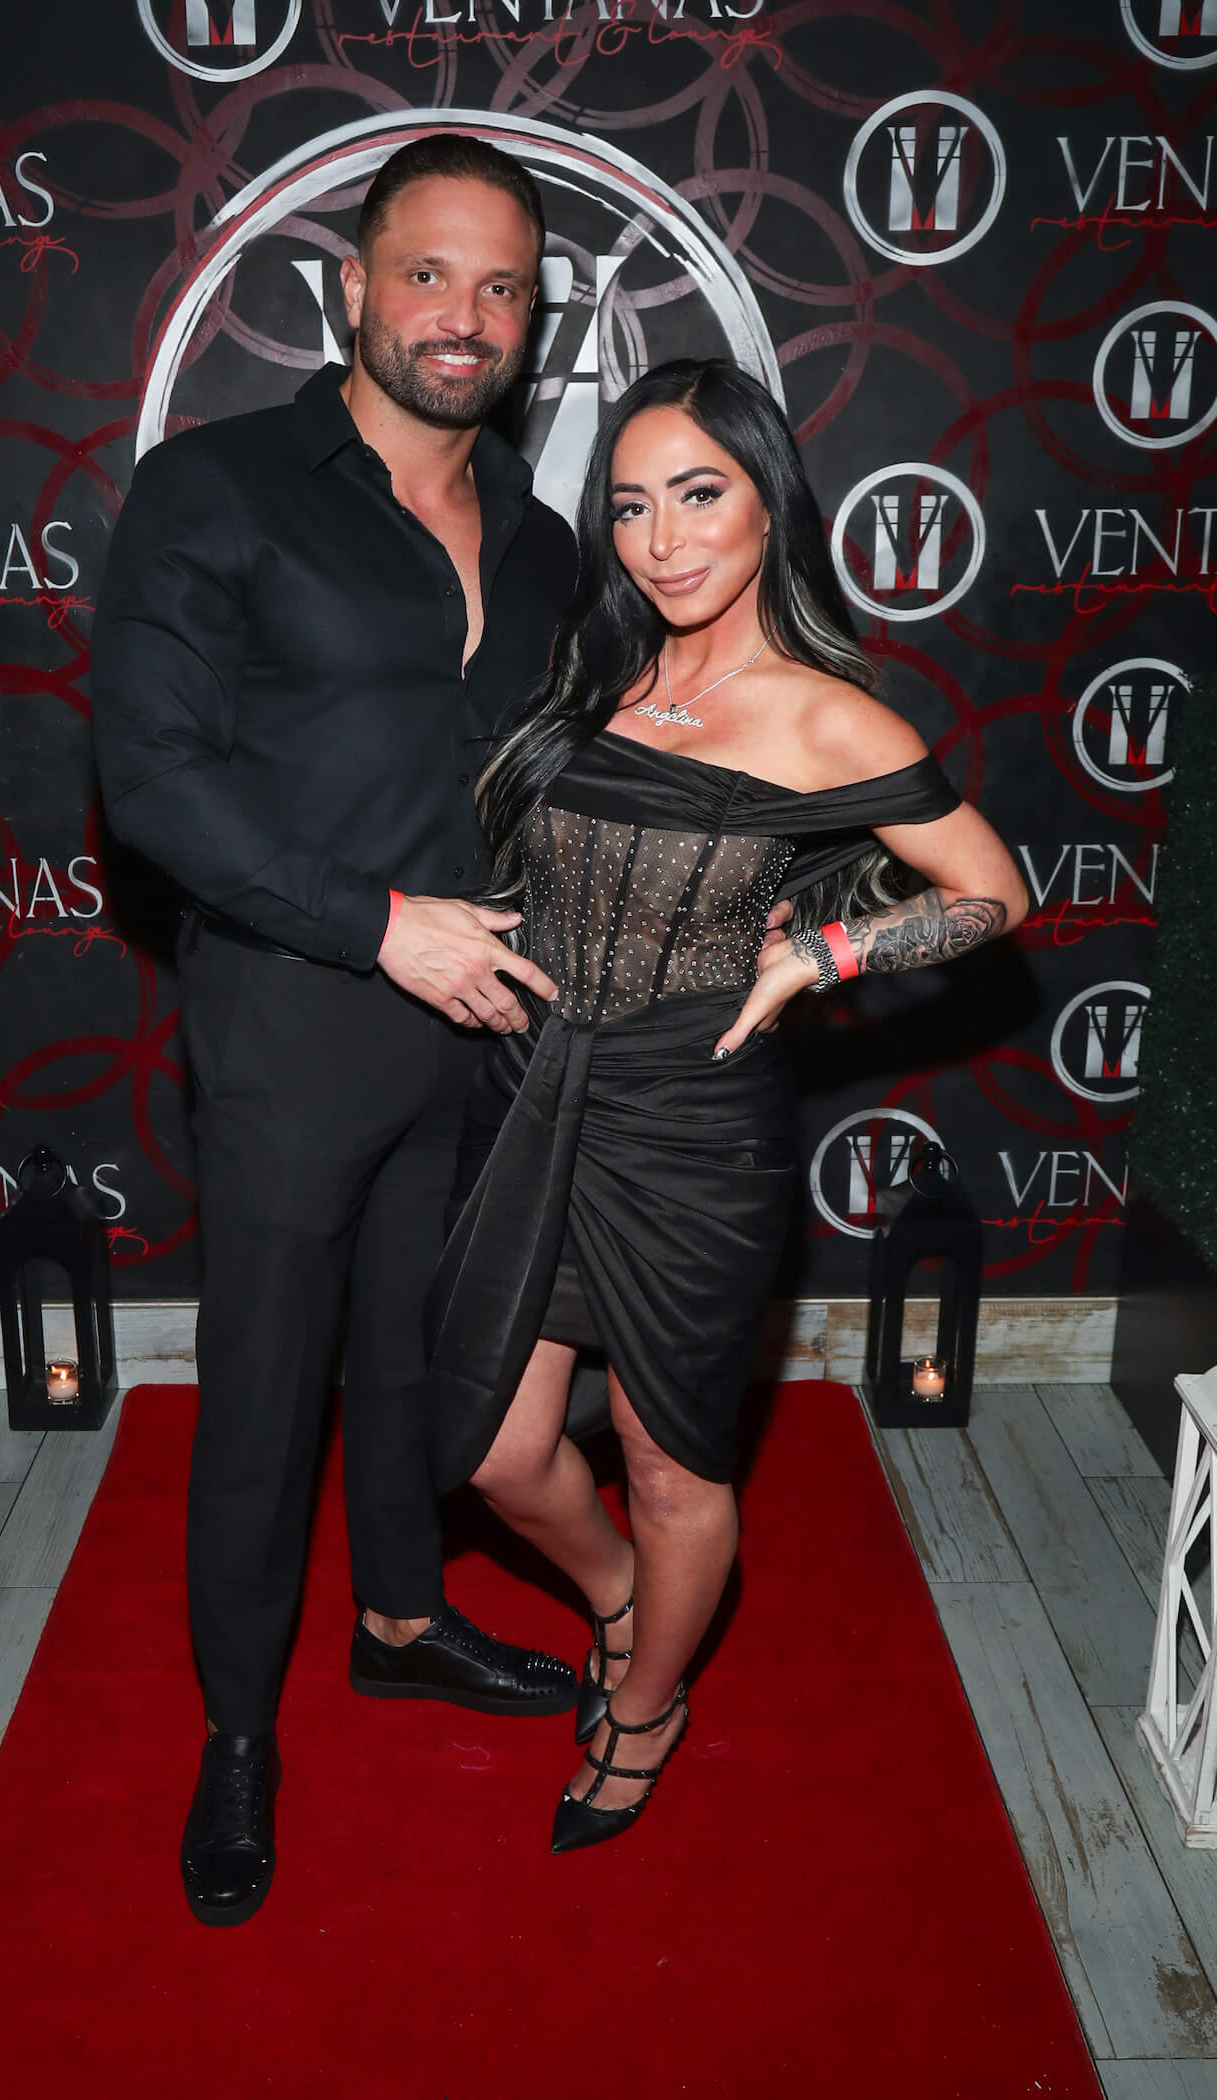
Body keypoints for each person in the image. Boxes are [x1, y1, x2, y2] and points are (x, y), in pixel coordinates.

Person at [427, 357, 1029, 1854]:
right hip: (533, 1097)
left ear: (769, 501)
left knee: (668, 1459)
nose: (663, 539)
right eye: (631, 506)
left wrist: (827, 953)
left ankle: (648, 1711)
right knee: (496, 1449)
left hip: (696, 1128)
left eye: (699, 495)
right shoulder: (594, 669)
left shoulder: (829, 719)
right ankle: (620, 1599)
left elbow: (992, 892)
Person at [92, 134, 586, 1930]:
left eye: (503, 287)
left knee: (411, 1359)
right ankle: (239, 1732)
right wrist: (381, 925)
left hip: (478, 1024)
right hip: (296, 1017)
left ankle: (401, 1617)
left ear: (534, 322)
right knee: (264, 1394)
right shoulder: (217, 488)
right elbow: (153, 779)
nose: (465, 315)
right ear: (355, 287)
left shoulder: (543, 543)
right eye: (430, 274)